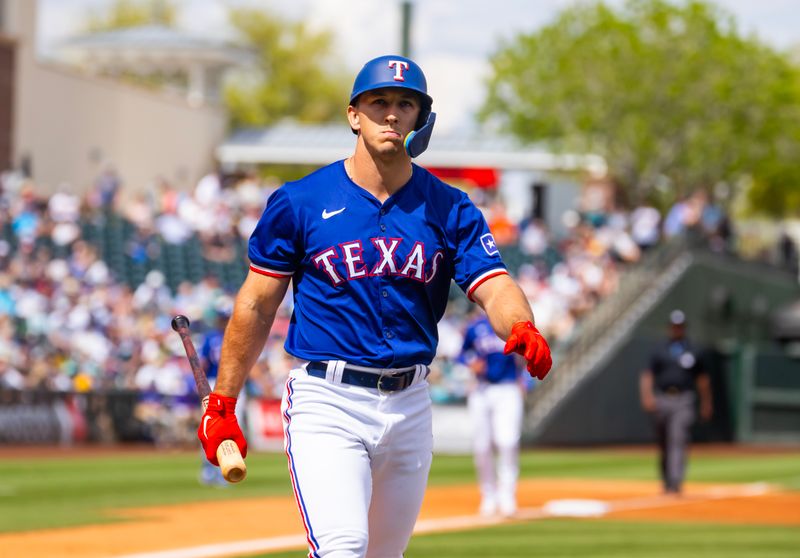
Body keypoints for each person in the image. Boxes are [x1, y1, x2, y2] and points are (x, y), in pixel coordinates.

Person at [197, 54, 552, 557]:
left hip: (410, 402)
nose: (391, 114)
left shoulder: (450, 206)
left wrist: (522, 325)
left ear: (420, 119)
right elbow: (255, 305)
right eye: (379, 101)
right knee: (343, 547)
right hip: (330, 399)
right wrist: (224, 400)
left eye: (405, 104)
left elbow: (495, 286)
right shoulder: (300, 201)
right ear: (353, 115)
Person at [460, 310, 528, 518]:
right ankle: (488, 495)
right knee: (482, 445)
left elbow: (527, 353)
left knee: (507, 441)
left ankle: (507, 495)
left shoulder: (512, 325)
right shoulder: (475, 327)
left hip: (508, 388)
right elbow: (462, 353)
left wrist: (525, 380)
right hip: (481, 389)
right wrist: (471, 363)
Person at [639, 309, 713, 495]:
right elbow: (647, 375)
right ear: (670, 327)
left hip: (684, 399)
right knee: (664, 442)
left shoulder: (694, 350)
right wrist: (647, 396)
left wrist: (706, 403)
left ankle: (675, 482)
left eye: (680, 326)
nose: (677, 329)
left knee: (678, 439)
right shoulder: (659, 349)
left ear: (684, 328)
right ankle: (666, 480)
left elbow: (703, 380)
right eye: (674, 326)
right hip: (662, 398)